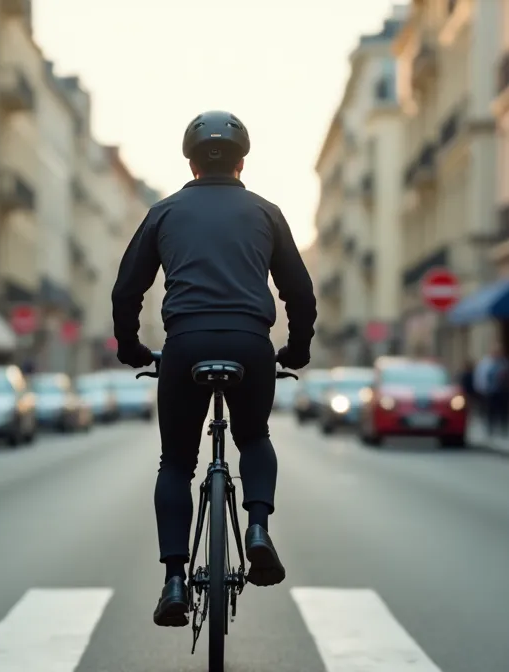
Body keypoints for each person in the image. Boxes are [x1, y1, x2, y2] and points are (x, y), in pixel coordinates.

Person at [110, 110, 317, 628]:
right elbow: (300, 292)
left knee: (176, 464)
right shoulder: (266, 212)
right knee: (254, 437)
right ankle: (258, 529)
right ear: (243, 161)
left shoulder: (164, 211)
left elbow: (126, 289)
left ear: (190, 161)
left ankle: (175, 581)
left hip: (184, 344)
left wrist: (132, 346)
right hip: (251, 343)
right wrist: (297, 348)